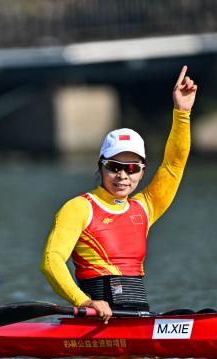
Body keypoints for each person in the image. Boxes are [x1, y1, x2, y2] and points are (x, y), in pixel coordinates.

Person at [40, 65, 197, 323]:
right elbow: (51, 260)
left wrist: (182, 113)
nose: (123, 176)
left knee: (199, 316)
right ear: (101, 166)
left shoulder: (145, 207)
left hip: (137, 320)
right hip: (93, 323)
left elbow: (173, 165)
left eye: (132, 168)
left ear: (142, 171)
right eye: (114, 167)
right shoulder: (79, 208)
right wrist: (85, 301)